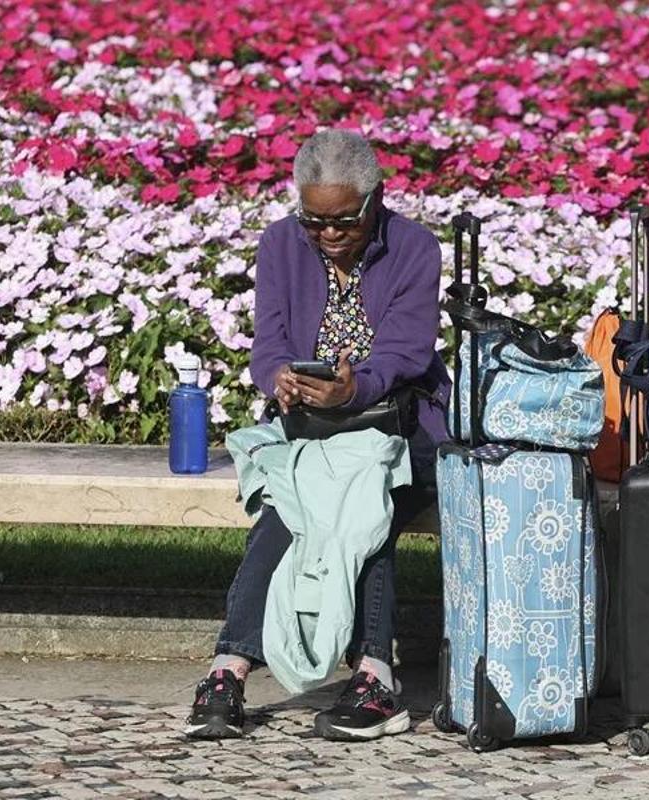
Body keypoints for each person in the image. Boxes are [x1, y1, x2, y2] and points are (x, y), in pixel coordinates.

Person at [185, 130, 451, 741]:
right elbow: (269, 343)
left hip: (400, 426)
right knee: (292, 507)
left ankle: (375, 675)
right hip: (309, 430)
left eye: (343, 221)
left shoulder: (414, 248)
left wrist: (352, 391)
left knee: (366, 503)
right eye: (314, 221)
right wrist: (278, 378)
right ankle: (229, 670)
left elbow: (404, 355)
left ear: (375, 199)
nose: (328, 234)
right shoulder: (280, 243)